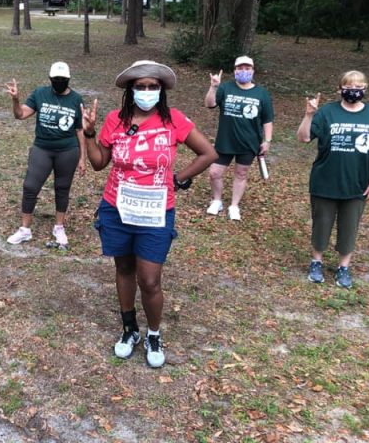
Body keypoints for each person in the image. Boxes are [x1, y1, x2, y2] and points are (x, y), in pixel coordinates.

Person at [82, 60, 216, 368]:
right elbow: (99, 162)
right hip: (117, 207)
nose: (146, 91)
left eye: (152, 86)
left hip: (156, 211)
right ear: (130, 90)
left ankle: (154, 333)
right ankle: (130, 329)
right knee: (125, 269)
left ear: (161, 90)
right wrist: (89, 134)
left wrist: (178, 178)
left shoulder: (174, 121)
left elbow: (208, 153)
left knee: (150, 279)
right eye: (140, 87)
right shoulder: (116, 120)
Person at [296, 70, 369, 289]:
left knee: (349, 226)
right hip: (325, 181)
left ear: (364, 90)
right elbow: (303, 137)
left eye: (358, 88)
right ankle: (316, 262)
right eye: (349, 87)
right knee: (322, 224)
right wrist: (308, 115)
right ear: (340, 89)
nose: (353, 91)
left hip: (357, 183)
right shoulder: (327, 112)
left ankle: (343, 267)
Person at [5, 62, 86, 248]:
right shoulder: (40, 93)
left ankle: (59, 227)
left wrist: (83, 157)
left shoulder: (76, 99)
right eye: (55, 80)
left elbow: (80, 130)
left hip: (67, 150)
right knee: (30, 186)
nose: (59, 82)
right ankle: (25, 230)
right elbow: (20, 115)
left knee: (62, 187)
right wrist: (15, 100)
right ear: (50, 79)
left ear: (68, 80)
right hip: (42, 148)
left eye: (62, 80)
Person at [204, 55, 274, 221]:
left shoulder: (262, 93)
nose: (243, 71)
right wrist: (213, 87)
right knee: (214, 172)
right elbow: (209, 104)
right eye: (240, 68)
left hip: (249, 142)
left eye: (247, 68)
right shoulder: (225, 88)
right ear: (235, 71)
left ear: (252, 71)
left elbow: (267, 119)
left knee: (241, 173)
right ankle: (217, 201)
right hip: (225, 140)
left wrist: (268, 140)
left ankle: (234, 206)